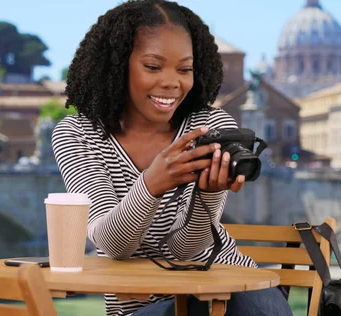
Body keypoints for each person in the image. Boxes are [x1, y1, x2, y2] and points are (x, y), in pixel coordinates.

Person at [51, 1, 293, 315]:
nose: (171, 82)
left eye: (184, 69)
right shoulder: (79, 134)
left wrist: (209, 192)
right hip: (140, 306)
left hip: (229, 288)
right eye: (153, 66)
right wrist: (152, 184)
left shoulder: (212, 126)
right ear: (117, 65)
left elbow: (186, 250)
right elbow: (112, 245)